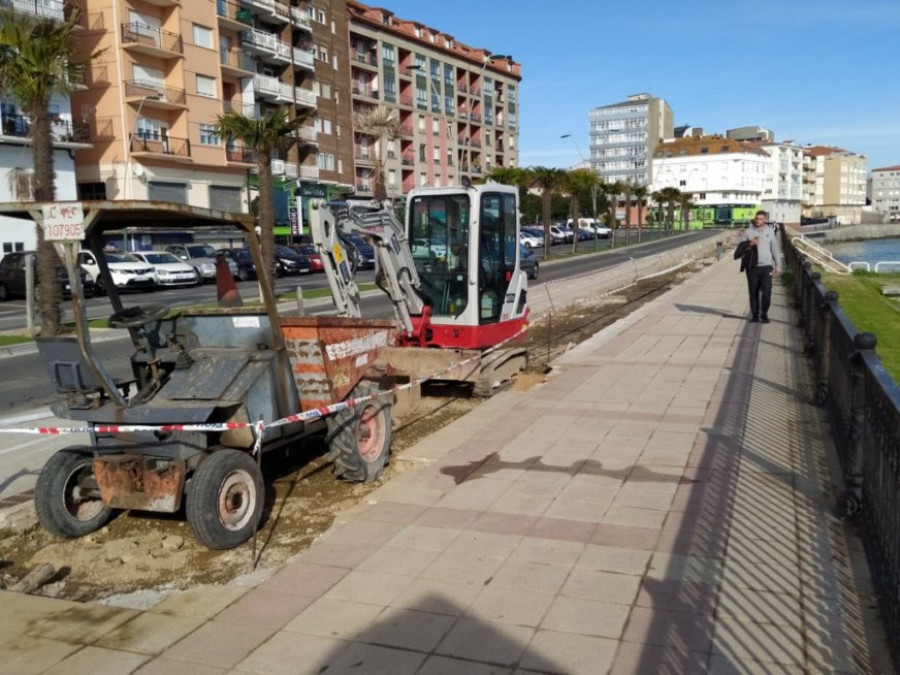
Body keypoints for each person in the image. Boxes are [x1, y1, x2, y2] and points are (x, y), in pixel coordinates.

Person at [740, 210, 782, 323]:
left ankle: (764, 314)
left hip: (766, 267)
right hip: (752, 268)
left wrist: (778, 265)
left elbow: (775, 249)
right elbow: (740, 250)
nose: (758, 221)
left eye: (761, 219)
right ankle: (754, 315)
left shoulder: (770, 232)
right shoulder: (748, 232)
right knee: (753, 292)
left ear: (765, 220)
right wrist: (750, 244)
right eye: (757, 218)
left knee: (767, 292)